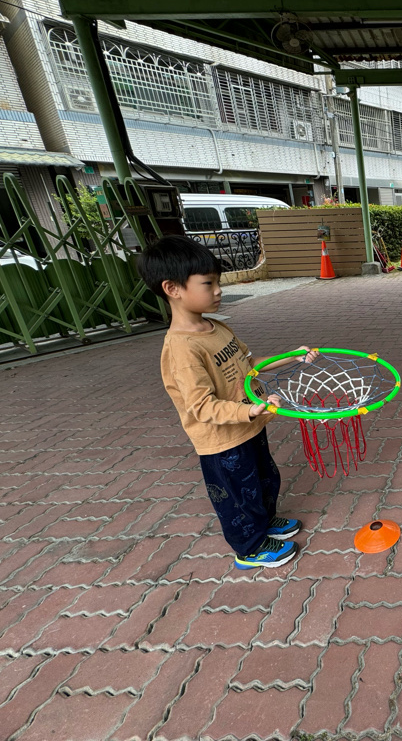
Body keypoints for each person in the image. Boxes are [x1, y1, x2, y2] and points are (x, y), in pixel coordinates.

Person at [136, 236, 305, 570]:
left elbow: (249, 365)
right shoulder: (183, 349)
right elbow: (201, 406)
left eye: (218, 283)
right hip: (222, 441)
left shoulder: (218, 328)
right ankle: (249, 548)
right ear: (172, 288)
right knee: (238, 496)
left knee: (265, 479)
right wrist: (248, 409)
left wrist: (292, 356)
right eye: (208, 283)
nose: (218, 291)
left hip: (248, 425)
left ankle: (265, 523)